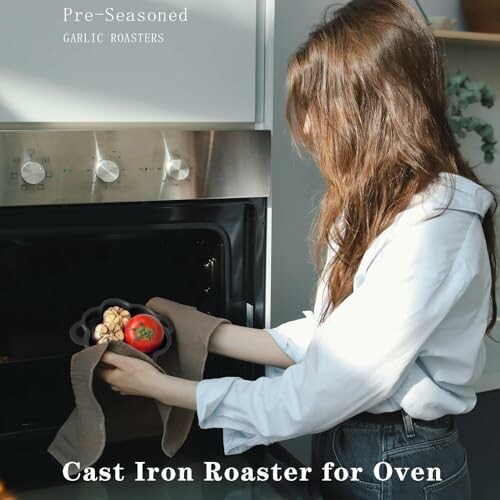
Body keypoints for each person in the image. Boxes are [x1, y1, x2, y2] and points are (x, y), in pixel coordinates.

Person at [97, 0, 497, 498]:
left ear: (371, 107)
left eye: (315, 105)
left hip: (399, 461)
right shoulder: (377, 204)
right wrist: (206, 332)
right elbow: (334, 339)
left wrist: (162, 389)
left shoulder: (433, 227)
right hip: (353, 441)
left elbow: (324, 386)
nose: (306, 128)